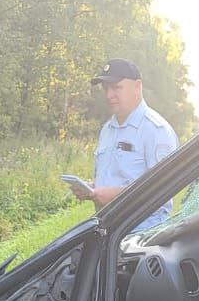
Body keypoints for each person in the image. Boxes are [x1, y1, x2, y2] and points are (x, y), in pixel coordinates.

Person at [72, 58, 178, 231]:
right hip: (107, 231)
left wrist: (109, 195)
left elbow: (161, 189)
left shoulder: (156, 130)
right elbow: (116, 177)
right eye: (106, 89)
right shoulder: (107, 129)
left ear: (137, 87)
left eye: (116, 87)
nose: (109, 95)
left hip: (141, 237)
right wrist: (93, 189)